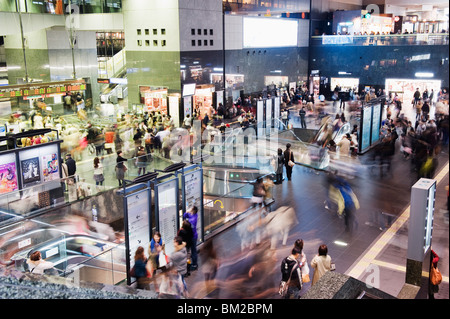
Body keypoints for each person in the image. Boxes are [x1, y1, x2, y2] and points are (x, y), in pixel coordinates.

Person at [183, 206, 199, 271]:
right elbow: (185, 216)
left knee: (193, 251)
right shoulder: (193, 214)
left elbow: (187, 223)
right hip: (191, 236)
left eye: (191, 208)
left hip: (192, 237)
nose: (189, 208)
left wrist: (187, 214)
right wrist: (187, 212)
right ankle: (191, 263)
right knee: (190, 251)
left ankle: (194, 264)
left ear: (193, 211)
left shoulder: (193, 219)